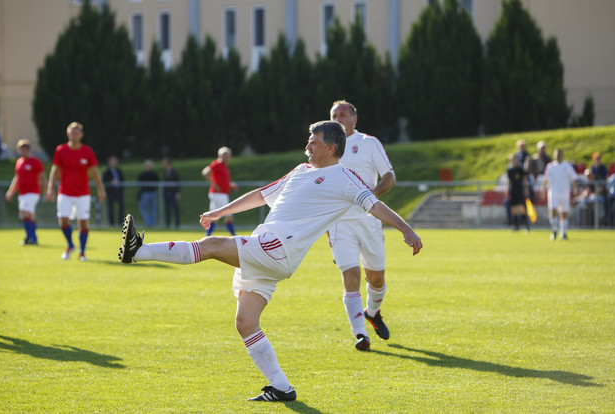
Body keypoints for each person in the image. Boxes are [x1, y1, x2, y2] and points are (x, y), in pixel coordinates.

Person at [118, 120, 422, 402]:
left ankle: (139, 250)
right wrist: (219, 213)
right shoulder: (301, 170)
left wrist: (405, 229)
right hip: (270, 249)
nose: (308, 146)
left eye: (314, 142)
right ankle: (281, 387)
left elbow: (375, 205)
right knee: (245, 323)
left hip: (278, 247)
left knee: (210, 246)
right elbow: (262, 195)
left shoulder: (344, 176)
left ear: (331, 148)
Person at [327, 100, 397, 351]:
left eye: (343, 114)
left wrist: (373, 195)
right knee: (351, 275)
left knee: (376, 278)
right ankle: (360, 334)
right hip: (339, 222)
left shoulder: (369, 143)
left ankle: (373, 312)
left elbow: (390, 177)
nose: (339, 118)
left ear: (355, 119)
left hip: (368, 220)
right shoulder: (327, 147)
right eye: (334, 115)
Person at [46, 122, 106, 261]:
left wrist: (101, 190)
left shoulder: (87, 151)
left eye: (77, 132)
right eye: (72, 132)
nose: (74, 134)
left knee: (83, 222)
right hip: (65, 192)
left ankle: (82, 252)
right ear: (68, 134)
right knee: (63, 221)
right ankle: (70, 245)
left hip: (83, 193)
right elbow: (55, 170)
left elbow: (95, 172)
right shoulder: (61, 150)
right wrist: (50, 188)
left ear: (81, 135)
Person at [5, 139, 46, 245]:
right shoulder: (19, 162)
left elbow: (42, 178)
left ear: (28, 149)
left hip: (33, 192)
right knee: (25, 215)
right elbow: (17, 179)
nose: (23, 151)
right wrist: (11, 192)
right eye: (21, 149)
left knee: (25, 211)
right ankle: (31, 237)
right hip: (22, 193)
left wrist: (46, 191)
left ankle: (32, 238)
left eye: (25, 149)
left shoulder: (35, 162)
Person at [543, 149, 578, 240]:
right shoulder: (550, 166)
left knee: (564, 213)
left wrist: (575, 188)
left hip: (564, 193)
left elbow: (573, 179)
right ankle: (554, 230)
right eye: (557, 154)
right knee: (553, 211)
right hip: (553, 192)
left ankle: (564, 233)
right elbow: (546, 179)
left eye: (560, 154)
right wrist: (543, 189)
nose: (558, 156)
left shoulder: (568, 166)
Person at [202, 146, 238, 236]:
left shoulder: (223, 166)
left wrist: (230, 185)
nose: (226, 157)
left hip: (219, 194)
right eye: (224, 155)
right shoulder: (217, 164)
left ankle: (207, 237)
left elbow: (222, 180)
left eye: (227, 155)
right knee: (228, 215)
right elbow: (205, 172)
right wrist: (214, 185)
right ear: (219, 155)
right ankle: (234, 236)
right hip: (219, 194)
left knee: (214, 218)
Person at [506, 154, 530, 231]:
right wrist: (507, 190)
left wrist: (526, 189)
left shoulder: (520, 169)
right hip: (513, 191)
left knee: (522, 207)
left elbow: (525, 179)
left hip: (520, 190)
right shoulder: (510, 170)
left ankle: (526, 224)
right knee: (514, 208)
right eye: (512, 159)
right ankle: (516, 226)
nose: (514, 161)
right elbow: (509, 181)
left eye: (515, 159)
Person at [102, 155, 125, 227]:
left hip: (118, 192)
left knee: (121, 207)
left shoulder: (118, 170)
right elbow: (104, 180)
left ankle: (121, 223)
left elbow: (123, 180)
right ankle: (111, 224)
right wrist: (111, 182)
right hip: (111, 192)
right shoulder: (107, 171)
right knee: (110, 208)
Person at [137, 160, 159, 227]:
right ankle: (151, 223)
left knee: (144, 208)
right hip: (152, 193)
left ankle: (149, 223)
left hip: (145, 193)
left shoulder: (143, 174)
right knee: (152, 209)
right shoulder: (154, 174)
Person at [162, 157, 181, 228]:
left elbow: (178, 182)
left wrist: (178, 193)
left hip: (174, 193)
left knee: (175, 209)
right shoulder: (165, 172)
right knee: (167, 209)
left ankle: (177, 224)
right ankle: (168, 224)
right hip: (167, 194)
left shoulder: (174, 172)